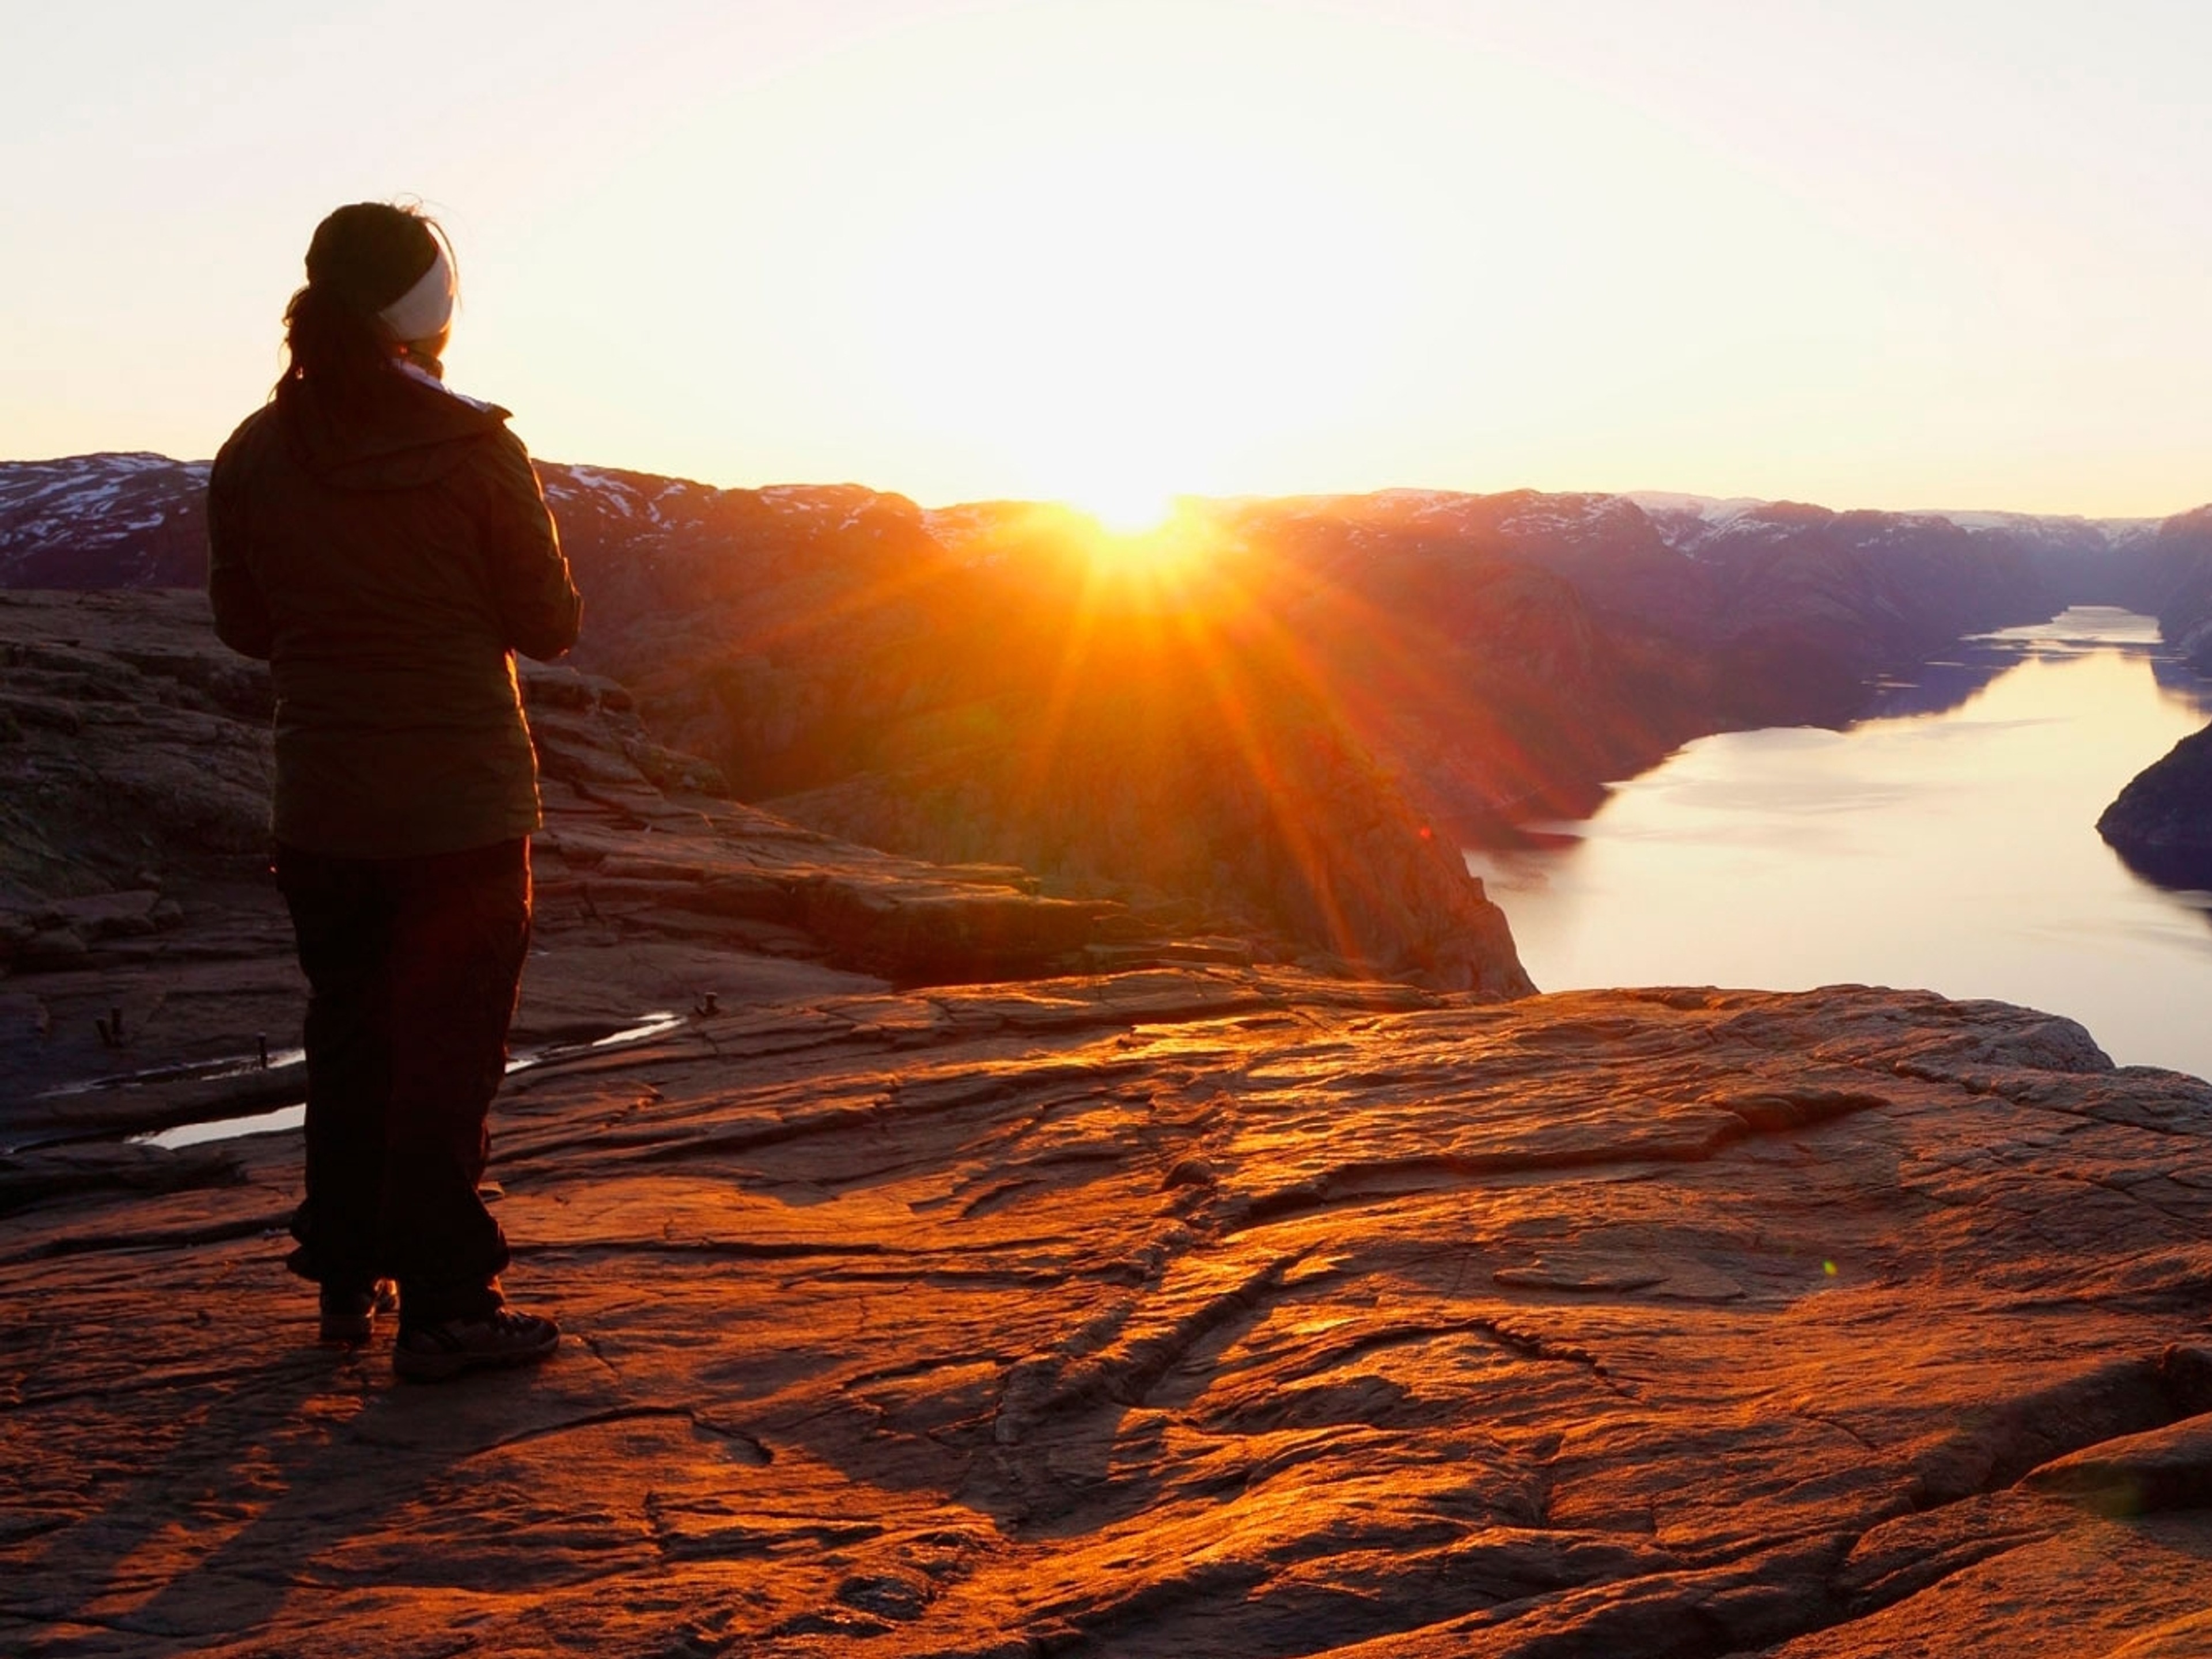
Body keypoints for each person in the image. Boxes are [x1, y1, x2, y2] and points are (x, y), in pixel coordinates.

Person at [207, 202, 582, 1381]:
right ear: (432, 311)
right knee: (447, 1057)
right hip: (462, 810)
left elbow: (244, 627)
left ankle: (340, 1281)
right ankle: (448, 1310)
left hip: (321, 806)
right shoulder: (478, 449)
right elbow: (552, 626)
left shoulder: (255, 452)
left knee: (351, 1035)